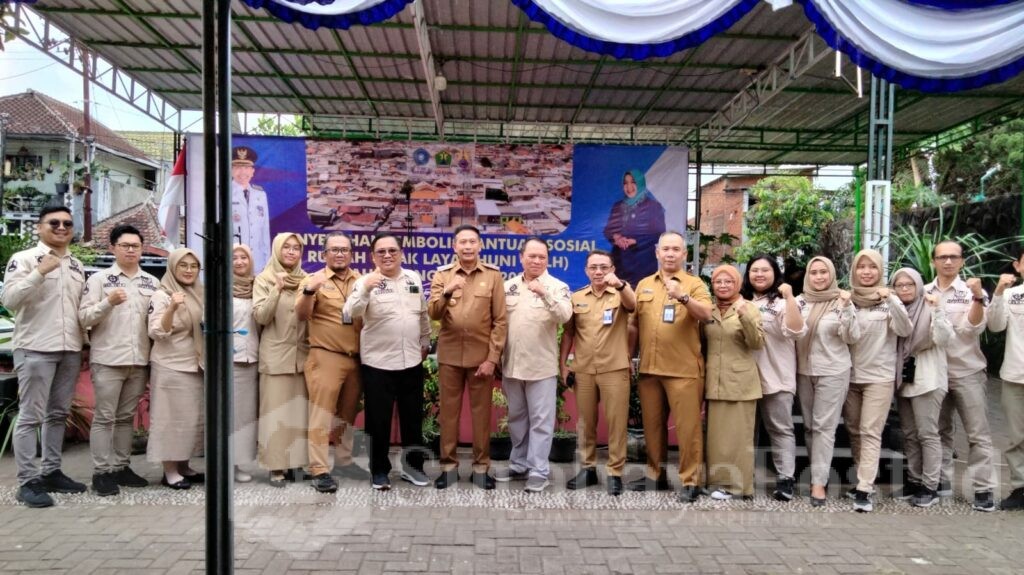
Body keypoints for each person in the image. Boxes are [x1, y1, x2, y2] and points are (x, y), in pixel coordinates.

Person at [2, 206, 88, 507]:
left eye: (67, 223)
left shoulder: (77, 266)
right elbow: (10, 300)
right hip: (36, 347)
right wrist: (40, 272)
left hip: (70, 348)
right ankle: (27, 481)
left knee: (58, 414)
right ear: (39, 227)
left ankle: (52, 471)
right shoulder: (24, 259)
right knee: (30, 416)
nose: (62, 227)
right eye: (54, 223)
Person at [627, 231, 712, 502]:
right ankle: (656, 476)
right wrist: (629, 357)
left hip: (684, 371)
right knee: (652, 427)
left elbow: (707, 315)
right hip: (650, 370)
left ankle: (691, 481)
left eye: (676, 249)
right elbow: (633, 324)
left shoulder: (694, 283)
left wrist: (684, 297)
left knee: (688, 430)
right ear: (657, 252)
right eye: (666, 249)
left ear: (685, 254)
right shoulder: (643, 285)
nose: (671, 253)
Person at [344, 234, 431, 490]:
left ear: (401, 253)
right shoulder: (364, 282)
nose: (387, 255)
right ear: (373, 257)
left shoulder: (413, 278)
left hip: (411, 361)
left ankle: (413, 468)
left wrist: (425, 341)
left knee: (413, 420)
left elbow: (422, 312)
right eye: (381, 252)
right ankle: (379, 471)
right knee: (378, 421)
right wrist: (366, 288)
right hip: (378, 363)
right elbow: (350, 313)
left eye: (392, 250)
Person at [78, 224, 158, 496]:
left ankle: (121, 466)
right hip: (108, 359)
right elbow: (84, 318)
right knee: (104, 417)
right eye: (125, 245)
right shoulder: (99, 280)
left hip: (139, 360)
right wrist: (107, 303)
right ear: (113, 247)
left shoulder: (151, 282)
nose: (131, 250)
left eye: (136, 246)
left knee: (126, 417)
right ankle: (101, 472)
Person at [428, 224, 508, 490]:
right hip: (450, 356)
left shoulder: (493, 276)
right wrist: (448, 290)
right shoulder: (442, 275)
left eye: (472, 242)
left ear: (480, 246)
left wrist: (492, 358)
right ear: (454, 247)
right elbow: (434, 313)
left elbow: (500, 321)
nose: (467, 247)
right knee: (448, 414)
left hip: (480, 358)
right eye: (462, 242)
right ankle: (448, 467)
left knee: (481, 415)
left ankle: (481, 467)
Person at [295, 232, 370, 492]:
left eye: (345, 250)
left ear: (352, 254)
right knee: (321, 415)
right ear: (324, 254)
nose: (340, 254)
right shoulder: (314, 280)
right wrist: (308, 291)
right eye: (334, 250)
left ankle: (344, 461)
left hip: (356, 359)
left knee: (347, 415)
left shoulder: (362, 281)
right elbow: (302, 315)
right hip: (326, 356)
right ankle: (319, 469)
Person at [496, 238, 572, 493]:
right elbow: (498, 324)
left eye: (541, 257)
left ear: (548, 260)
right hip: (512, 365)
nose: (537, 261)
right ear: (521, 258)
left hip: (542, 367)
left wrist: (544, 293)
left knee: (541, 421)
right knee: (517, 418)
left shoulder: (557, 286)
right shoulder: (508, 287)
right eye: (532, 256)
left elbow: (564, 316)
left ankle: (539, 471)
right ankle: (518, 465)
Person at [926, 240, 997, 512]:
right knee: (940, 430)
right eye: (942, 257)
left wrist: (978, 296)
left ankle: (983, 489)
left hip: (967, 371)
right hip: (935, 373)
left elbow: (973, 328)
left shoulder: (972, 291)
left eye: (953, 257)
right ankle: (941, 480)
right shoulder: (923, 291)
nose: (947, 262)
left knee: (978, 433)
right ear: (933, 261)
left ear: (962, 261)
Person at [559, 249, 636, 496]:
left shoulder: (621, 292)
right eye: (594, 267)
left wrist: (621, 285)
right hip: (583, 369)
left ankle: (615, 472)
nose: (599, 271)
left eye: (604, 267)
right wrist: (563, 364)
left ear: (612, 269)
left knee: (616, 422)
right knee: (586, 422)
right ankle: (588, 468)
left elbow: (633, 305)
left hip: (614, 368)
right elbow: (569, 333)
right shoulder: (577, 296)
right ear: (586, 270)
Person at [845, 249, 912, 512]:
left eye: (872, 267)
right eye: (861, 267)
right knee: (853, 429)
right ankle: (864, 479)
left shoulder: (889, 300)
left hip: (879, 377)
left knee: (870, 431)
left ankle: (864, 487)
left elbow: (904, 330)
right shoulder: (847, 298)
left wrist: (893, 300)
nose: (866, 272)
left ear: (880, 270)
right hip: (850, 376)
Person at [795, 256, 860, 506]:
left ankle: (818, 484)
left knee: (824, 427)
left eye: (824, 272)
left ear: (831, 275)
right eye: (814, 272)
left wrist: (845, 308)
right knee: (811, 427)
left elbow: (852, 336)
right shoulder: (799, 302)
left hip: (833, 370)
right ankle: (817, 474)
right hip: (803, 370)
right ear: (807, 276)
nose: (819, 277)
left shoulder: (841, 300)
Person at [740, 255, 804, 501]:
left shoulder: (782, 302)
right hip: (745, 378)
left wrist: (788, 298)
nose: (759, 274)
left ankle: (785, 478)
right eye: (754, 270)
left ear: (774, 273)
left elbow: (796, 331)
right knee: (746, 431)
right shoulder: (741, 300)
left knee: (780, 429)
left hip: (776, 376)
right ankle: (745, 478)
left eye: (764, 270)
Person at [892, 267, 952, 508]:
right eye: (899, 285)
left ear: (918, 286)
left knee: (927, 434)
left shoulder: (931, 306)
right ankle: (914, 480)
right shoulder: (897, 310)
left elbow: (944, 338)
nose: (905, 289)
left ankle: (930, 485)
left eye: (909, 284)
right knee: (909, 434)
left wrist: (937, 309)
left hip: (928, 379)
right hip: (905, 381)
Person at [254, 233, 311, 487]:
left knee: (298, 414)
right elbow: (261, 317)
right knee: (274, 414)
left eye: (296, 248)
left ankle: (296, 464)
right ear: (277, 249)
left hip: (301, 357)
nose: (291, 252)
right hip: (276, 356)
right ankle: (276, 467)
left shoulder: (306, 280)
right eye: (286, 247)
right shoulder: (264, 279)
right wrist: (277, 288)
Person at [704, 264, 764, 500]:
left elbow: (757, 343)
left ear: (738, 284)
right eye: (718, 281)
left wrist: (745, 316)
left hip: (741, 383)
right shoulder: (708, 310)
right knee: (717, 439)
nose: (723, 285)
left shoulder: (749, 308)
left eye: (729, 281)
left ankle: (741, 487)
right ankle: (719, 483)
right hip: (715, 381)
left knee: (739, 440)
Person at [147, 247, 205, 490]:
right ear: (172, 267)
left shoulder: (198, 293)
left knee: (189, 420)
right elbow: (157, 332)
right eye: (183, 265)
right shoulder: (162, 295)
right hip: (170, 365)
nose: (189, 270)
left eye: (193, 266)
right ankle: (169, 471)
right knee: (169, 420)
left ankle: (183, 465)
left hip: (195, 365)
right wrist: (171, 307)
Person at [987, 247, 1024, 510]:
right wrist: (998, 292)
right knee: (1016, 437)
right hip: (1015, 375)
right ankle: (1020, 487)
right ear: (1018, 266)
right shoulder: (1011, 296)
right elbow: (996, 325)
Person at [603, 169, 666, 288]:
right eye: (625, 183)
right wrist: (616, 237)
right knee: (620, 297)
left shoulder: (654, 206)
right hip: (620, 261)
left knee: (641, 299)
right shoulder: (618, 206)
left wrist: (635, 241)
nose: (629, 186)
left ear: (640, 183)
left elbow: (659, 234)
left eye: (633, 182)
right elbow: (608, 230)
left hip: (643, 263)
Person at [231, 244, 260, 483]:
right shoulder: (220, 288)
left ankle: (239, 462)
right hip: (229, 360)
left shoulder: (257, 286)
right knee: (230, 416)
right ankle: (225, 464)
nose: (240, 262)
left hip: (253, 359)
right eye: (234, 258)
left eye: (244, 257)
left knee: (245, 417)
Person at [231, 145, 271, 269]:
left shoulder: (260, 194)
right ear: (231, 170)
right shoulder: (222, 194)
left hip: (257, 261)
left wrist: (267, 262)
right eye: (238, 167)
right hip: (234, 261)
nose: (243, 172)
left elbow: (264, 230)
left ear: (252, 171)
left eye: (246, 167)